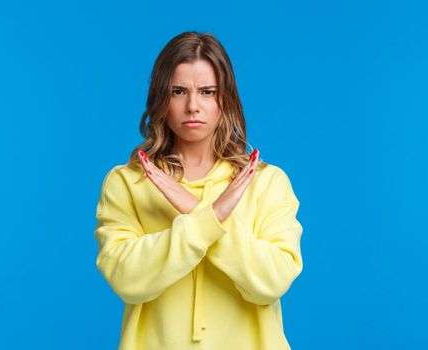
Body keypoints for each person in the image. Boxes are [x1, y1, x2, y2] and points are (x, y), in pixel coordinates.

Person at [93, 31, 304, 350]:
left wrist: (195, 211)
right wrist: (209, 218)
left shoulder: (266, 182)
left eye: (207, 92)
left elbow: (271, 282)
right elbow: (127, 280)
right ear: (161, 98)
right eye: (178, 91)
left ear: (226, 99)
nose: (193, 106)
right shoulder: (128, 182)